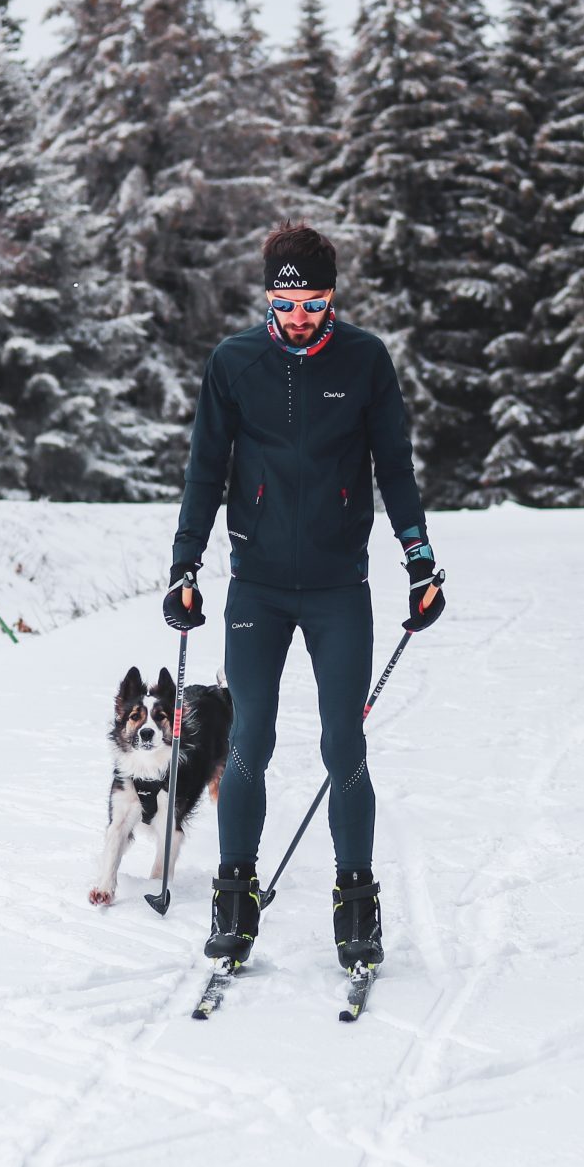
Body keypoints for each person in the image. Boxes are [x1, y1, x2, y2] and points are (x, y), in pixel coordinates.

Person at [162, 221, 447, 971]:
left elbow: (395, 469)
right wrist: (183, 566)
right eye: (286, 304)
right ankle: (234, 900)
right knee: (248, 736)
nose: (298, 319)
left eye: (314, 304)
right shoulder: (235, 363)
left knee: (342, 742)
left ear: (332, 297)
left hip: (337, 587)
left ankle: (356, 907)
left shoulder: (363, 360)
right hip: (256, 584)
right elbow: (204, 471)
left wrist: (419, 563)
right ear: (268, 295)